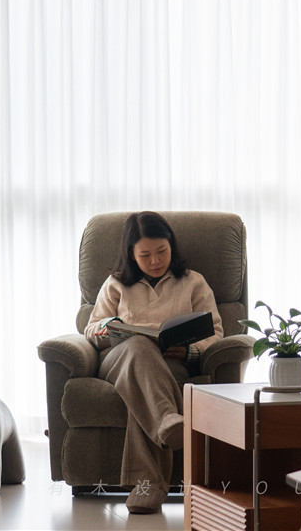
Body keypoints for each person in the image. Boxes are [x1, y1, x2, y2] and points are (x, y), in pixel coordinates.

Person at [83, 211, 224, 513]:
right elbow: (91, 328)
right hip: (118, 360)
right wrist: (106, 327)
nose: (155, 261)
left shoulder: (193, 282)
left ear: (171, 245)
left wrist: (190, 352)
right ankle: (166, 419)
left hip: (169, 363)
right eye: (145, 255)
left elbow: (216, 333)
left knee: (144, 388)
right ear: (131, 255)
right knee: (138, 346)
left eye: (161, 251)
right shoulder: (116, 284)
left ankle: (148, 487)